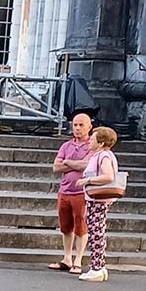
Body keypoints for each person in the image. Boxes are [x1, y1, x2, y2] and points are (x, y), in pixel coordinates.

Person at [76, 127, 120, 283]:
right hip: (95, 199)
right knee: (96, 229)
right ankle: (98, 266)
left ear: (101, 143)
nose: (89, 141)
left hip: (98, 199)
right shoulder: (100, 155)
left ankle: (97, 267)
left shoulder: (104, 156)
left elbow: (108, 176)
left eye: (93, 139)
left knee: (97, 231)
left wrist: (87, 181)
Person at [51, 113, 93, 274]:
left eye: (81, 125)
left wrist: (67, 162)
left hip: (81, 192)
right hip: (65, 190)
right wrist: (73, 164)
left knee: (81, 225)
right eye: (75, 125)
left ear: (89, 127)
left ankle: (78, 260)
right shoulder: (66, 146)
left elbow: (86, 165)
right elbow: (56, 167)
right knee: (65, 225)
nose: (77, 128)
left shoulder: (91, 145)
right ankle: (67, 257)